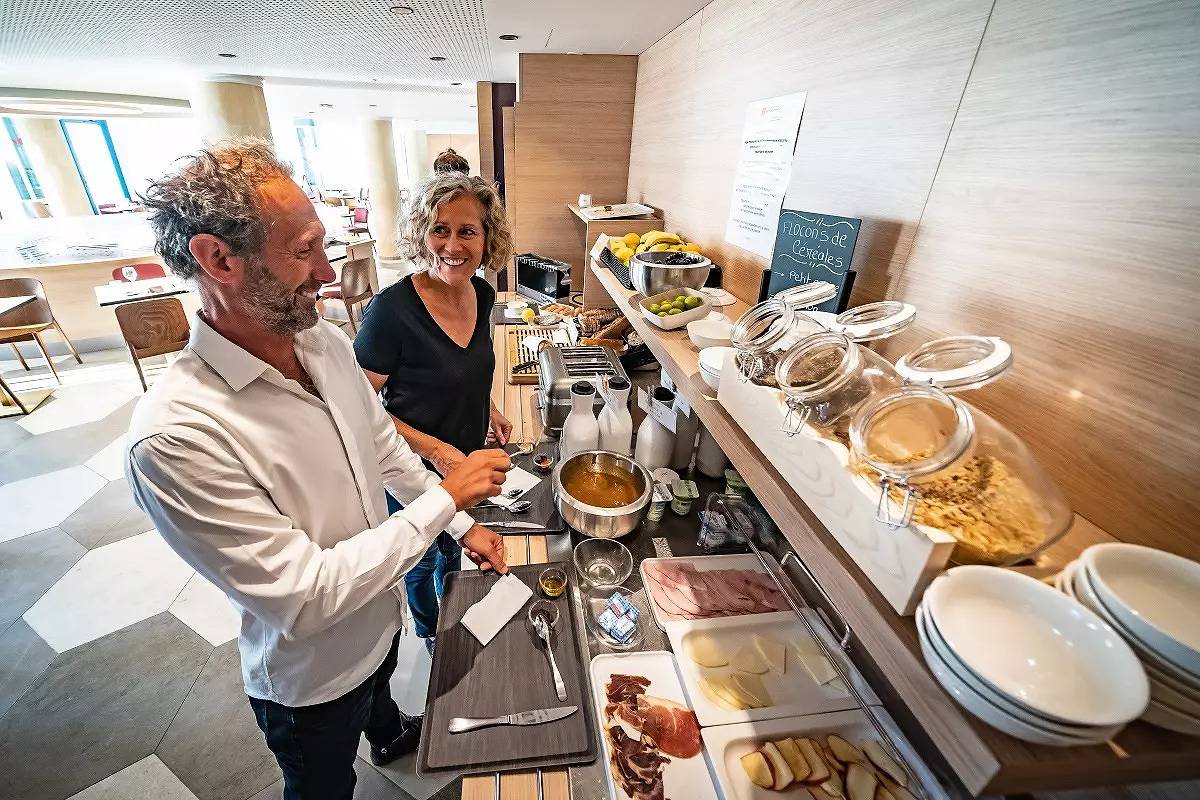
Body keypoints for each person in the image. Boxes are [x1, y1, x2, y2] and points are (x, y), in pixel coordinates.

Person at [126, 138, 511, 800]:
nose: (329, 274)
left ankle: (388, 730)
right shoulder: (177, 437)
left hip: (380, 620)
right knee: (321, 785)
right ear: (219, 259)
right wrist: (445, 500)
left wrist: (460, 523)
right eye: (304, 251)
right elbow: (305, 600)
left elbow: (384, 446)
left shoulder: (322, 342)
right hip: (313, 682)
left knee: (383, 697)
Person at [354, 172, 514, 654]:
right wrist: (437, 449)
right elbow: (359, 410)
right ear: (422, 234)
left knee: (455, 545)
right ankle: (429, 634)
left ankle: (452, 608)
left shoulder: (482, 295)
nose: (453, 245)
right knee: (420, 562)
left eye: (467, 231)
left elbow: (467, 366)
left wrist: (489, 407)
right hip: (409, 469)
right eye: (439, 229)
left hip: (464, 459)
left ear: (487, 238)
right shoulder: (391, 311)